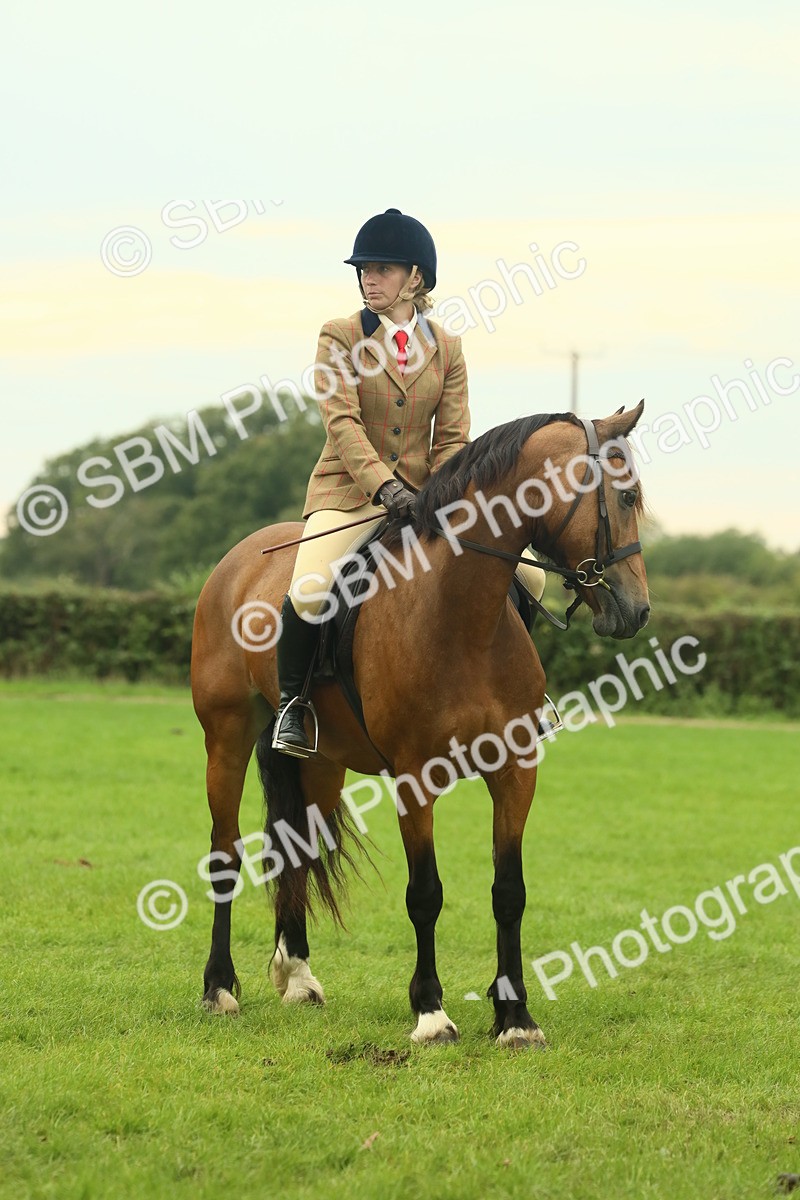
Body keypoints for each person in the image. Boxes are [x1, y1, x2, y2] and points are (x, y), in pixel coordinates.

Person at [272, 208, 550, 756]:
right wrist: (384, 487)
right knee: (309, 589)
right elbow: (342, 423)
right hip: (350, 493)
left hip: (427, 496)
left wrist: (444, 494)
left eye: (382, 269)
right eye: (364, 270)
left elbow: (452, 438)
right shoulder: (339, 336)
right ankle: (293, 705)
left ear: (415, 278)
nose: (368, 279)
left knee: (532, 579)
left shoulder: (447, 347)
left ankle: (514, 692)